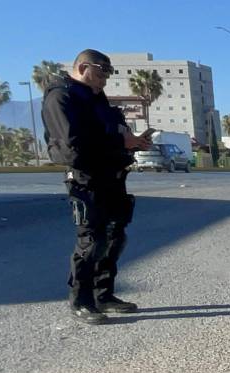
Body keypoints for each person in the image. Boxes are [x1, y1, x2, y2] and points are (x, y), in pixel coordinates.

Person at [42, 49, 152, 325]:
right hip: (86, 180)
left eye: (109, 72)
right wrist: (119, 142)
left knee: (115, 237)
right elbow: (72, 148)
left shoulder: (95, 97)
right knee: (92, 241)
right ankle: (81, 300)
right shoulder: (61, 97)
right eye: (102, 70)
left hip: (112, 177)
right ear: (82, 67)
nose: (106, 77)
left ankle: (104, 295)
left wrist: (132, 142)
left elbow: (109, 132)